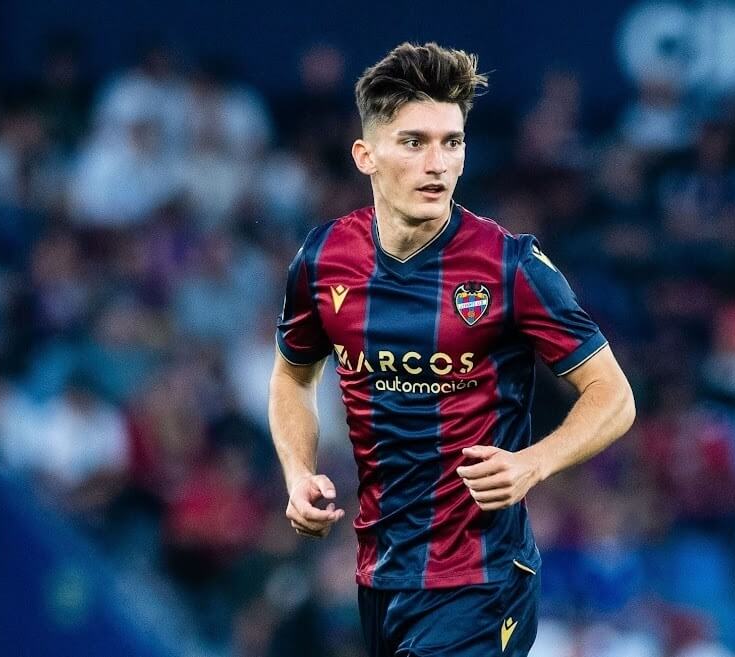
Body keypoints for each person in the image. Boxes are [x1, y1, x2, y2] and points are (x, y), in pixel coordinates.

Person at [268, 42, 636, 657]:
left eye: (452, 142)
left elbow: (615, 396)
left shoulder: (510, 266)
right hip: (381, 576)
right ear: (366, 155)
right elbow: (292, 378)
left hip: (484, 580)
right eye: (414, 142)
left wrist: (533, 463)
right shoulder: (322, 259)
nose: (437, 163)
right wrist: (298, 472)